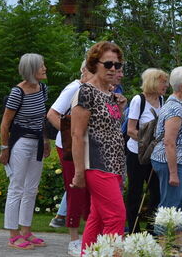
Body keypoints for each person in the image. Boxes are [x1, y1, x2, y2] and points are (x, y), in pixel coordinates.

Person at [70, 42, 127, 253]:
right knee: (116, 216)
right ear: (95, 64)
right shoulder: (86, 92)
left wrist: (120, 107)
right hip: (96, 164)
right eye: (109, 64)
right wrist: (78, 173)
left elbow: (110, 128)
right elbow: (77, 134)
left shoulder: (110, 93)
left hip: (115, 165)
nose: (114, 68)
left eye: (117, 64)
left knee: (98, 216)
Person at [0, 53, 50, 250]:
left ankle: (26, 231)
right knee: (17, 188)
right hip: (20, 143)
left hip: (36, 142)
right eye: (41, 66)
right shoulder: (17, 93)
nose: (45, 68)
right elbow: (5, 124)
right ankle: (13, 236)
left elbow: (42, 118)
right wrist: (5, 149)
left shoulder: (42, 89)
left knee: (31, 189)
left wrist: (45, 141)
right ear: (31, 70)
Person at [46, 61, 92, 256]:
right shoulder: (74, 88)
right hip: (69, 147)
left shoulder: (95, 90)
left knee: (90, 190)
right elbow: (52, 114)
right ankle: (74, 239)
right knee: (75, 189)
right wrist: (70, 134)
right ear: (85, 71)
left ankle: (91, 235)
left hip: (87, 147)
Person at [151, 67, 182, 222]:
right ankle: (164, 243)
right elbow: (169, 142)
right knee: (170, 206)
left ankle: (178, 242)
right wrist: (173, 173)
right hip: (172, 162)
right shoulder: (175, 107)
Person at [125, 68, 168, 233]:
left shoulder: (163, 100)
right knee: (135, 191)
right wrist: (148, 143)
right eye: (162, 81)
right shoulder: (139, 100)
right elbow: (130, 130)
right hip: (136, 153)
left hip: (155, 155)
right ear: (153, 82)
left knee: (156, 192)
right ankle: (134, 229)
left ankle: (152, 228)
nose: (166, 85)